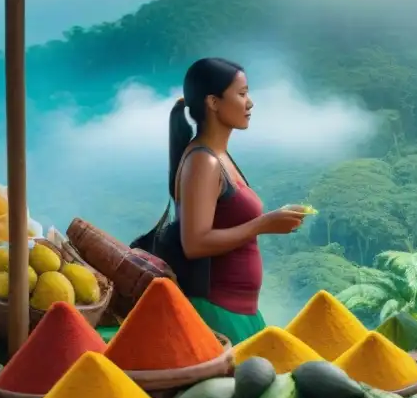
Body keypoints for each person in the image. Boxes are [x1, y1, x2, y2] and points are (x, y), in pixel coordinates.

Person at [131, 57, 306, 344]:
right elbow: (195, 243)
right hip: (218, 312)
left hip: (240, 311)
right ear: (213, 102)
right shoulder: (203, 162)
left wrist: (274, 220)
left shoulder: (220, 157)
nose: (250, 103)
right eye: (241, 93)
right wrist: (263, 224)